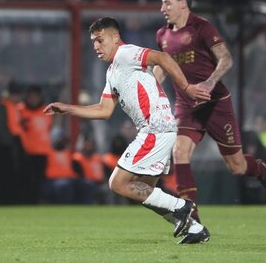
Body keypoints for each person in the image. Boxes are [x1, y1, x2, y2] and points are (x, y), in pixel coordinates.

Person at [44, 17, 211, 244]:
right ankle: (195, 229)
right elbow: (104, 110)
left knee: (117, 183)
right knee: (144, 191)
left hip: (155, 128)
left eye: (100, 40)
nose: (95, 46)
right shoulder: (113, 71)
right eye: (93, 41)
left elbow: (161, 57)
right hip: (158, 129)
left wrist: (187, 88)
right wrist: (67, 109)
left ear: (115, 38)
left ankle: (182, 206)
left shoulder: (126, 53)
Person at [154, 0, 266, 227]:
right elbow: (163, 66)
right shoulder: (162, 35)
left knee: (236, 166)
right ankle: (190, 215)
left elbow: (226, 58)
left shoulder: (202, 27)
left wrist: (210, 83)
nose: (163, 9)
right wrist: (151, 85)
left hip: (215, 103)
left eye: (167, 3)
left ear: (183, 4)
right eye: (162, 4)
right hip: (186, 105)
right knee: (179, 151)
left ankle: (260, 169)